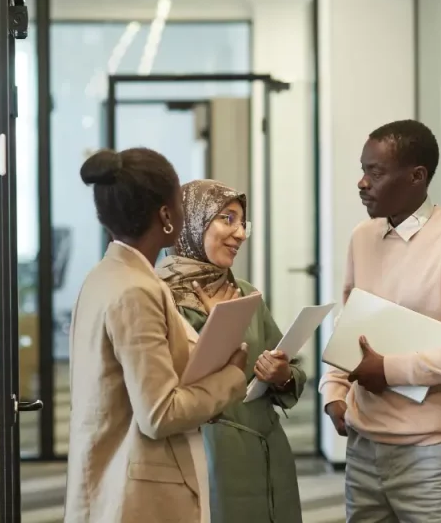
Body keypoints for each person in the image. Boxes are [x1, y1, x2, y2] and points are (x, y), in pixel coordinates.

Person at [318, 120, 441, 523]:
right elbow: (347, 325)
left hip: (431, 456)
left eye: (375, 172)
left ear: (417, 176)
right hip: (363, 449)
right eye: (363, 170)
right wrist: (333, 390)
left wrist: (388, 369)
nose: (362, 182)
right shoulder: (362, 238)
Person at [66, 148, 250, 523]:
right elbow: (159, 413)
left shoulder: (105, 276)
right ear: (167, 215)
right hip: (138, 494)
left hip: (110, 478)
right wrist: (232, 377)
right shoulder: (136, 290)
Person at [157, 179, 306, 523]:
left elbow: (291, 364)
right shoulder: (160, 297)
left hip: (268, 451)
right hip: (209, 454)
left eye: (242, 222)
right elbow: (169, 392)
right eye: (227, 219)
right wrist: (217, 328)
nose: (240, 233)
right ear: (193, 222)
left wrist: (283, 375)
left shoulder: (244, 292)